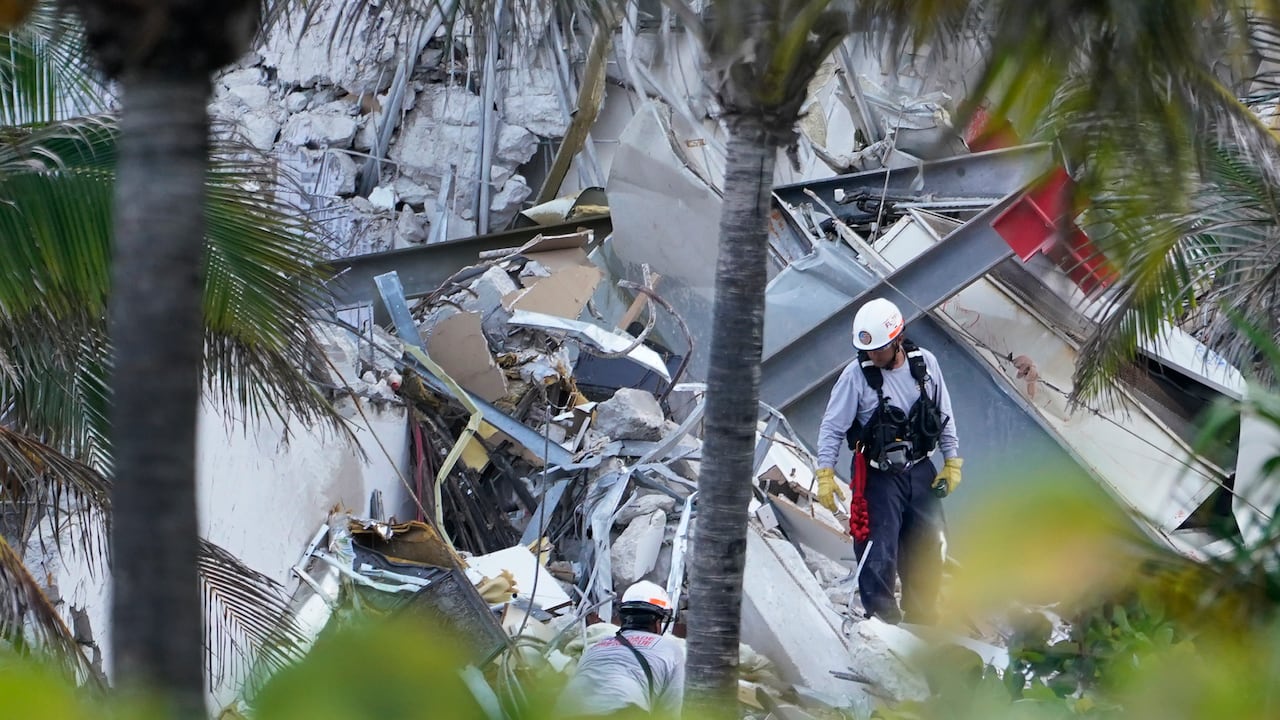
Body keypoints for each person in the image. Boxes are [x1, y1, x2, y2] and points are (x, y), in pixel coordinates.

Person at [814, 298, 962, 625]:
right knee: (878, 548)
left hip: (920, 467)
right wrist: (825, 471)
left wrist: (952, 461)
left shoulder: (926, 366)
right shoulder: (856, 377)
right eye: (867, 350)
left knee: (930, 543)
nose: (872, 356)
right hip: (877, 475)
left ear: (897, 340)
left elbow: (944, 415)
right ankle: (882, 621)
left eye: (879, 349)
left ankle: (922, 617)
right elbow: (832, 426)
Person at [555, 581, 685, 718]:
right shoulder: (670, 649)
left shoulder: (596, 647)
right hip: (622, 711)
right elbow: (669, 712)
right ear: (658, 622)